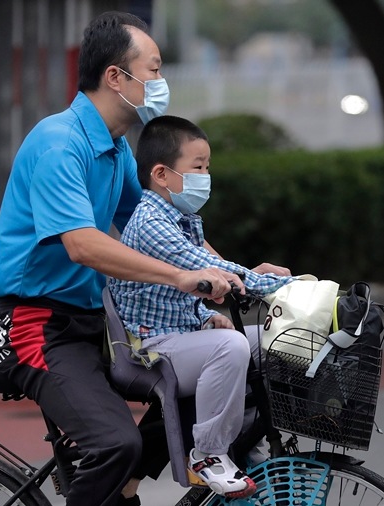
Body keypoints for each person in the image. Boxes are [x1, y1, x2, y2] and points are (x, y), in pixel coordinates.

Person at [0, 12, 244, 506]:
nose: (162, 82)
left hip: (92, 324)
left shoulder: (116, 149)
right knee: (114, 444)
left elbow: (161, 231)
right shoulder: (60, 143)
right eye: (155, 69)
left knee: (208, 374)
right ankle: (116, 478)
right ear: (115, 77)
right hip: (34, 325)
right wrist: (182, 278)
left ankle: (122, 491)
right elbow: (83, 244)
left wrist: (235, 272)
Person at [108, 115, 295, 499]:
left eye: (207, 167)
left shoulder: (181, 218)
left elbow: (182, 291)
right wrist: (290, 288)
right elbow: (205, 268)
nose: (205, 175)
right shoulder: (151, 222)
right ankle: (209, 454)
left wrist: (209, 315)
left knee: (277, 340)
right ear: (162, 174)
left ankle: (248, 439)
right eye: (198, 167)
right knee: (232, 348)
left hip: (180, 335)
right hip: (149, 349)